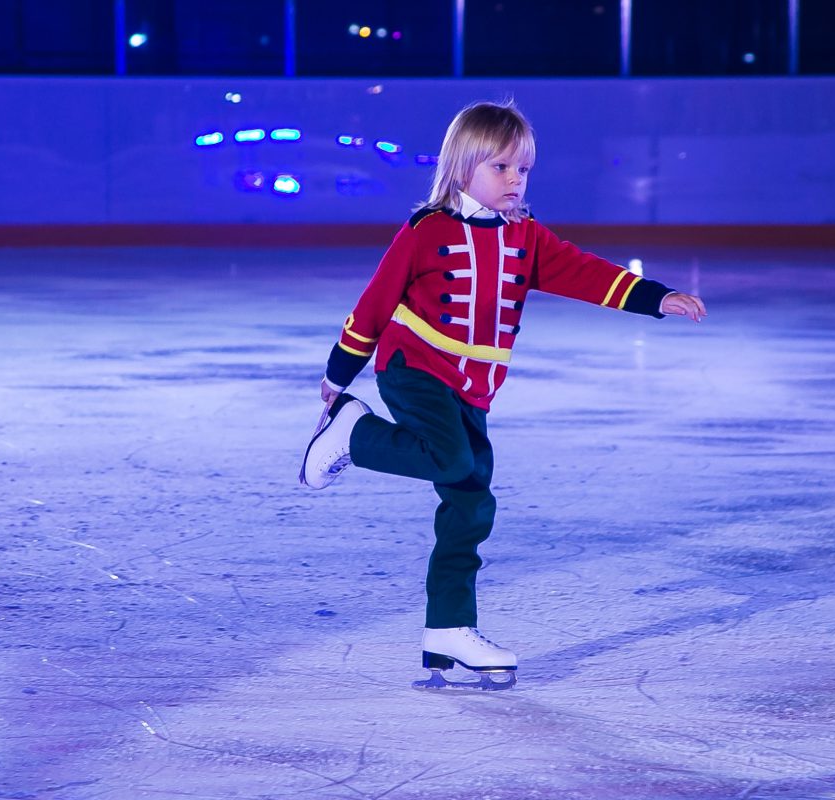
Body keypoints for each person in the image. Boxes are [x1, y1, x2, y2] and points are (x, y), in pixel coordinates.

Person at [300, 100, 706, 689]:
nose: (515, 180)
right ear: (462, 167)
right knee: (450, 459)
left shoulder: (525, 237)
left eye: (523, 169)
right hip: (414, 367)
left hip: (473, 387)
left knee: (470, 503)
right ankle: (353, 432)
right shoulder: (426, 230)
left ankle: (448, 628)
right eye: (501, 167)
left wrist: (655, 297)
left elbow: (584, 272)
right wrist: (340, 375)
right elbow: (374, 303)